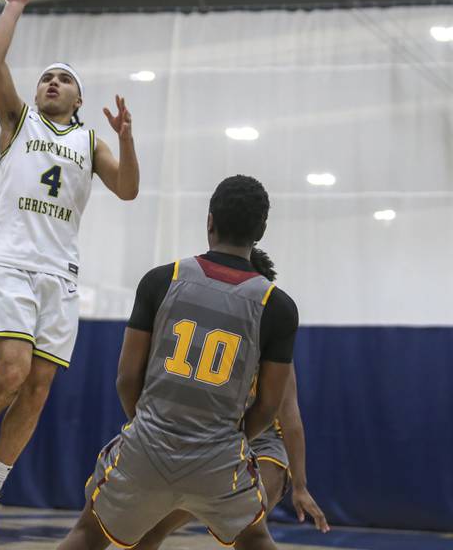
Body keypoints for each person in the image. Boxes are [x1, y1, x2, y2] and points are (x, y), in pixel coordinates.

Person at [0, 0, 140, 548]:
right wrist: (16, 0)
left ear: (78, 97)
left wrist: (127, 141)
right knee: (11, 372)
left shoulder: (89, 140)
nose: (51, 82)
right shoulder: (18, 122)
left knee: (36, 391)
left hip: (61, 276)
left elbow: (127, 189)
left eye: (64, 79)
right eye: (45, 78)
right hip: (10, 261)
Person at [57, 175, 298, 550]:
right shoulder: (278, 307)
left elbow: (126, 378)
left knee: (88, 534)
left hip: (148, 445)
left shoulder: (160, 280)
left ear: (209, 220)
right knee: (255, 538)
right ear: (261, 230)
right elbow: (269, 406)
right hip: (219, 457)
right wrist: (228, 440)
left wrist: (152, 426)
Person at [133, 249, 329, 549]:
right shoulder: (200, 327)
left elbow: (290, 419)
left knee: (248, 529)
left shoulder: (270, 343)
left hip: (262, 443)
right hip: (211, 439)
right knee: (150, 530)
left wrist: (300, 486)